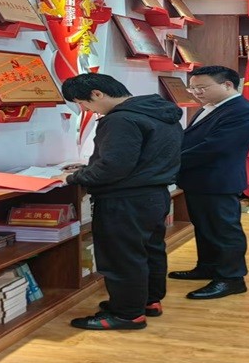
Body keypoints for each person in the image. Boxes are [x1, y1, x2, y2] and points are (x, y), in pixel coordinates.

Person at [60, 73, 183, 330]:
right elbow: (140, 158)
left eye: (83, 103)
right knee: (150, 251)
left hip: (125, 199)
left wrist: (72, 178)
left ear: (97, 94)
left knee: (122, 257)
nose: (86, 110)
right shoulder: (159, 112)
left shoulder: (120, 119)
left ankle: (127, 314)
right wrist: (89, 168)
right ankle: (148, 301)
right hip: (155, 194)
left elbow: (113, 167)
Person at [170, 65, 249, 300]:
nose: (196, 93)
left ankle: (232, 278)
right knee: (204, 228)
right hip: (198, 179)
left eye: (202, 88)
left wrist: (169, 162)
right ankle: (207, 267)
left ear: (227, 84)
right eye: (192, 88)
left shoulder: (244, 111)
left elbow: (215, 147)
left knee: (224, 231)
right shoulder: (210, 107)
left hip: (218, 180)